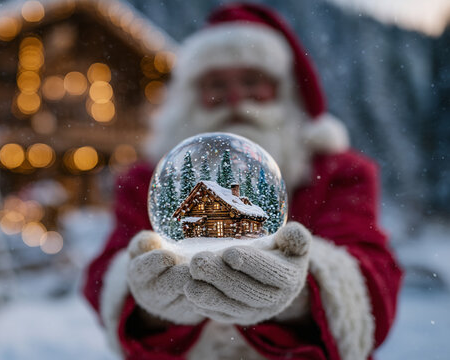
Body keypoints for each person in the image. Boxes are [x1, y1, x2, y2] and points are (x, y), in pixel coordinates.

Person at [83, 3, 403, 359]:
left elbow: (376, 282)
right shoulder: (148, 180)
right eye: (216, 84)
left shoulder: (339, 172)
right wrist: (146, 302)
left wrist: (302, 295)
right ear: (193, 96)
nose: (235, 99)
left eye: (252, 81)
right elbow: (103, 274)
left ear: (284, 90)